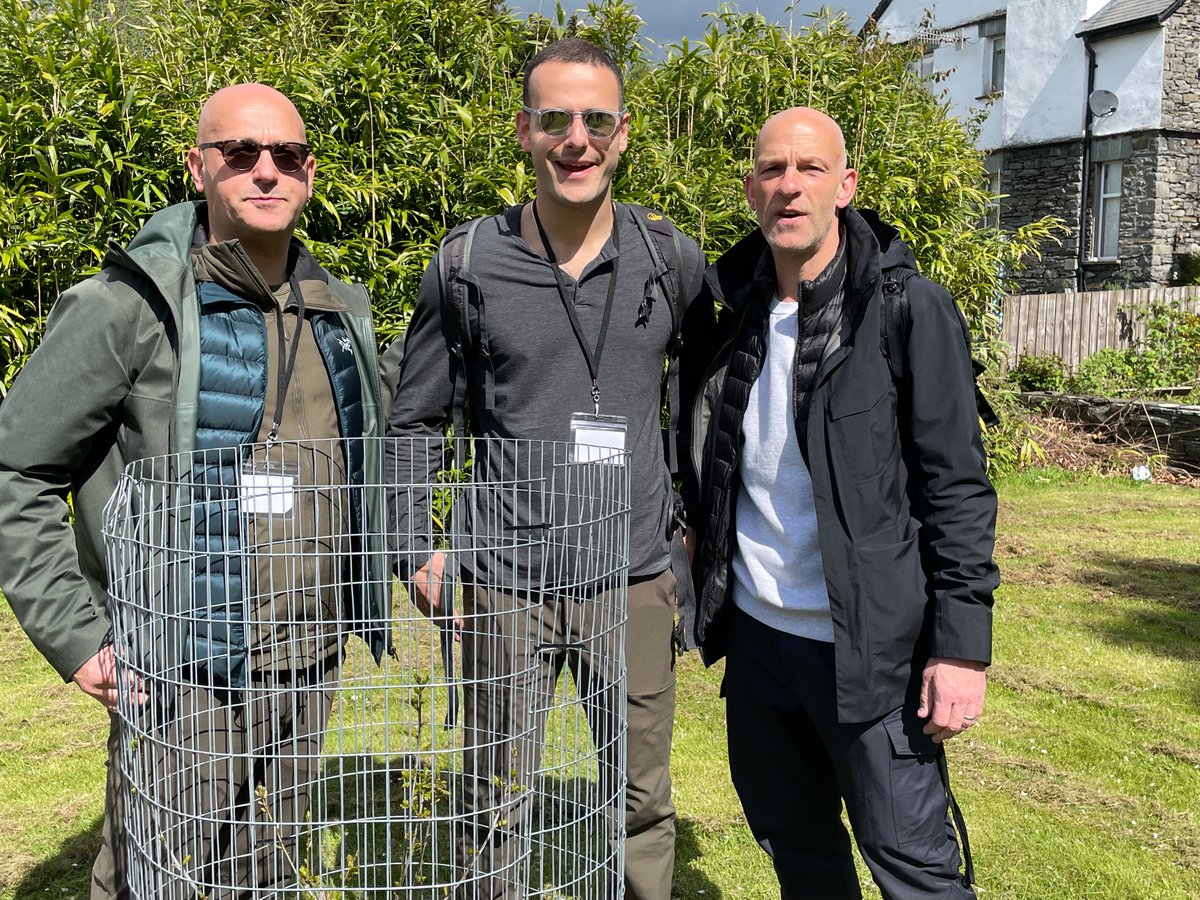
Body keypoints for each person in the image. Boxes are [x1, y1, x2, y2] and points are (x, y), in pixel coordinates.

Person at [0, 83, 390, 899]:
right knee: (156, 878)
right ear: (198, 166)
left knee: (265, 878)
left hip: (306, 665)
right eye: (239, 153)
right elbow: (17, 470)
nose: (264, 172)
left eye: (286, 155)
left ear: (309, 172)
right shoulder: (127, 308)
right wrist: (79, 637)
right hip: (181, 674)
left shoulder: (335, 315)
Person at [385, 38, 704, 900]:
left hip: (632, 579)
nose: (577, 137)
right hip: (501, 584)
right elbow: (414, 416)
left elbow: (714, 397)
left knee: (640, 800)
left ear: (624, 133)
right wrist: (414, 548)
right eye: (555, 118)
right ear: (523, 131)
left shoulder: (672, 261)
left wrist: (696, 525)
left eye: (596, 119)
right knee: (492, 802)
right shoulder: (465, 264)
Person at [678, 107, 998, 899]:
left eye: (810, 169)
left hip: (871, 656)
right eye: (774, 170)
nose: (790, 186)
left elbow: (956, 487)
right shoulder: (734, 314)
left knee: (915, 868)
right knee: (800, 852)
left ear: (845, 185)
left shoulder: (906, 309)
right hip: (759, 649)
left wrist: (961, 650)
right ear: (751, 188)